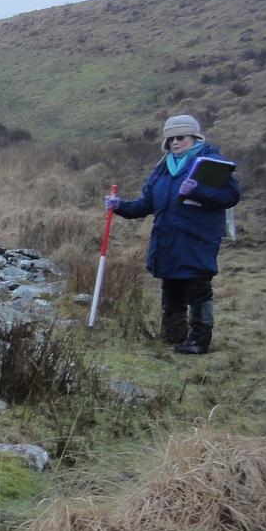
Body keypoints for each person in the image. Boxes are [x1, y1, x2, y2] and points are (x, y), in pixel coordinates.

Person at [104, 114, 242, 354]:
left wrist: (198, 191)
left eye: (181, 138)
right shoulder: (163, 168)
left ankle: (199, 341)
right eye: (170, 139)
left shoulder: (211, 163)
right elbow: (146, 204)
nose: (175, 143)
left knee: (197, 287)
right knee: (171, 287)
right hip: (167, 239)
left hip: (197, 239)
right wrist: (120, 206)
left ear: (194, 138)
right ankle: (173, 336)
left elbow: (231, 197)